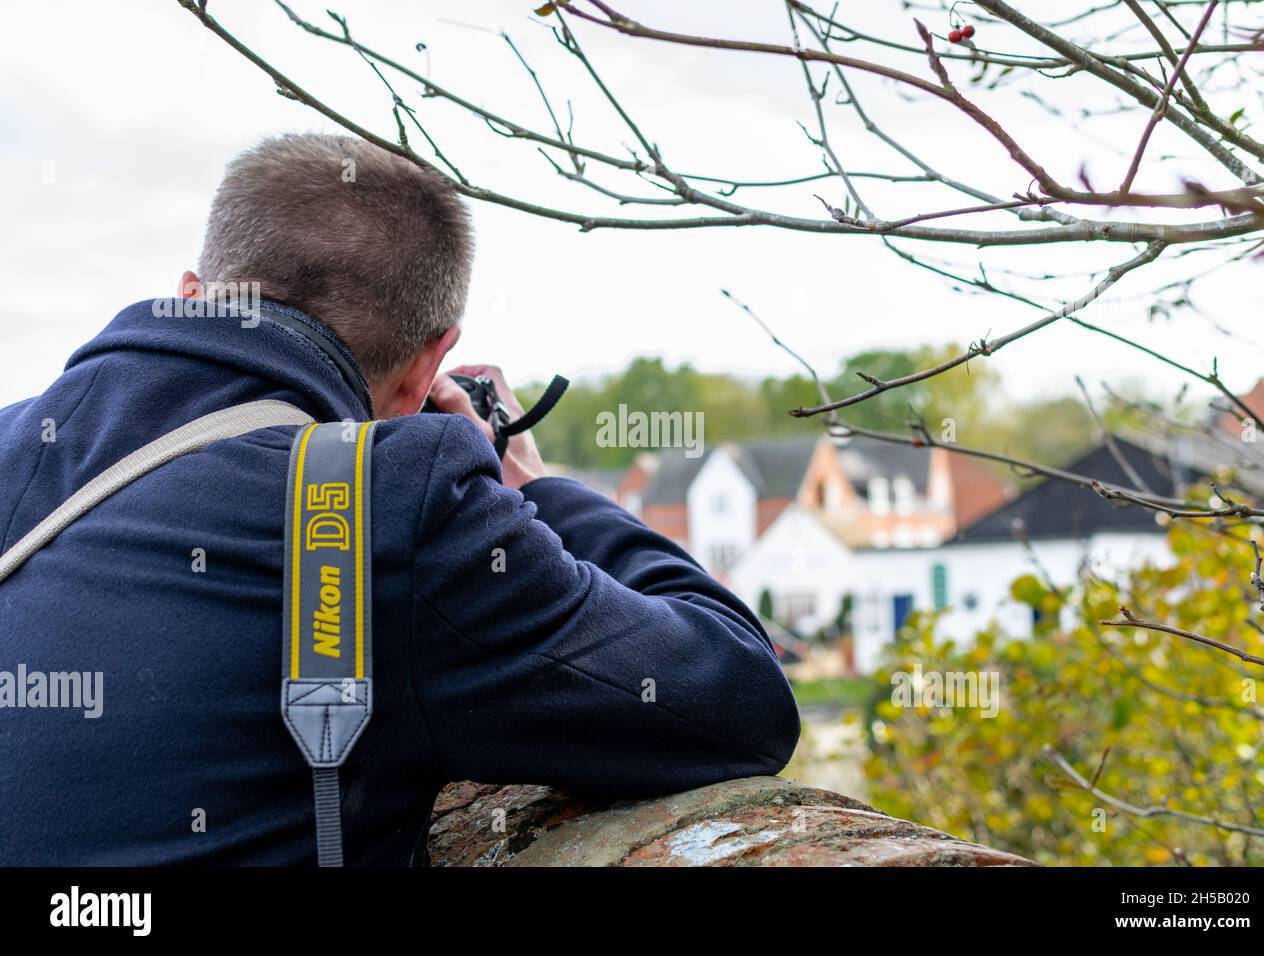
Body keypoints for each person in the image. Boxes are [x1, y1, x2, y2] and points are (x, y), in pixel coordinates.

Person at [0, 132, 801, 865]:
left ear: (190, 292)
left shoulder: (15, 439)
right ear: (430, 366)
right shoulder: (392, 503)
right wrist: (535, 486)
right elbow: (737, 697)